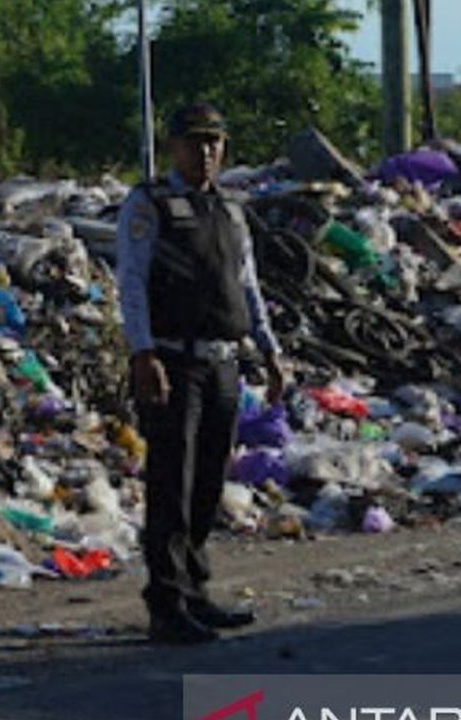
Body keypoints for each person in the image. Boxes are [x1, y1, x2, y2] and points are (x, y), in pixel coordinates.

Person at [116, 101, 288, 643]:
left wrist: (270, 351)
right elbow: (132, 282)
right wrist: (143, 353)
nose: (206, 151)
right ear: (174, 146)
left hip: (223, 361)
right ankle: (166, 603)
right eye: (195, 141)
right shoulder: (151, 204)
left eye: (214, 141)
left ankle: (195, 590)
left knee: (208, 482)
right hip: (172, 360)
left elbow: (248, 285)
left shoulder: (230, 211)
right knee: (172, 481)